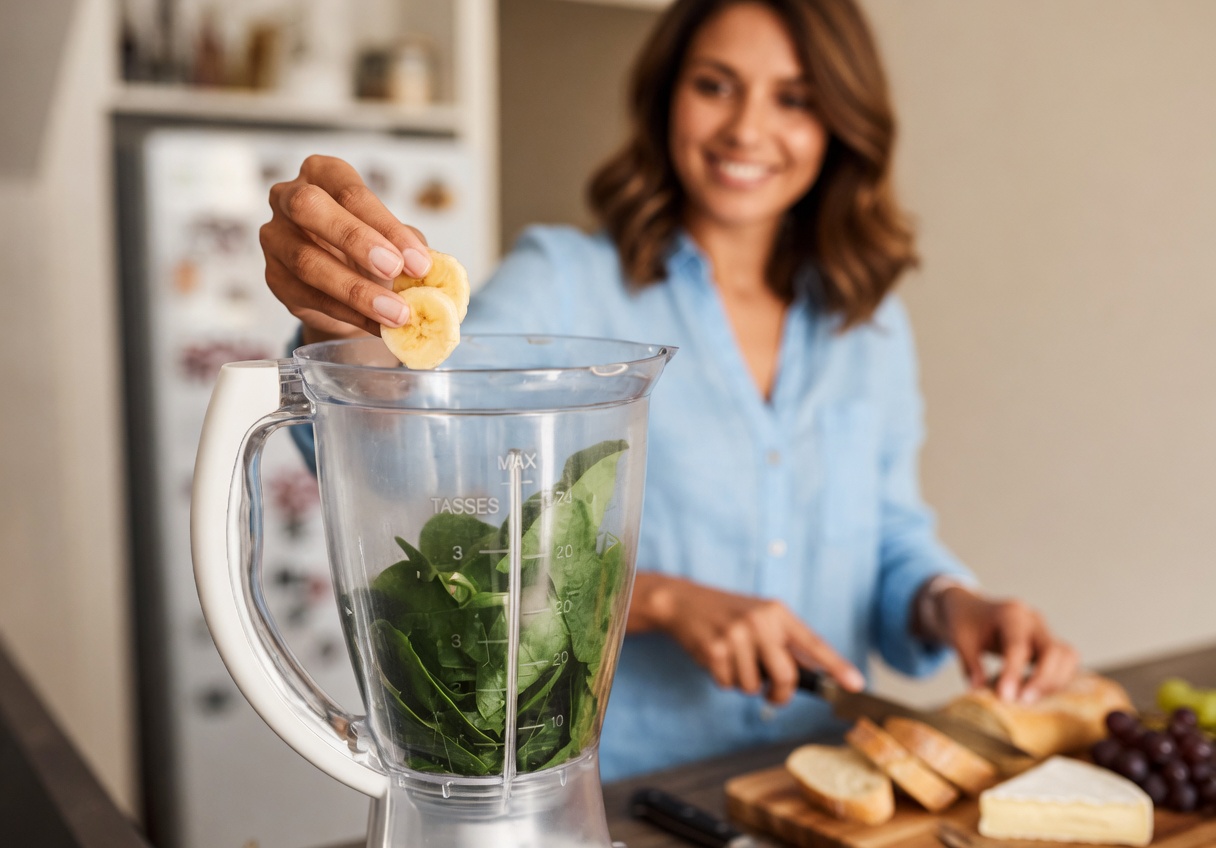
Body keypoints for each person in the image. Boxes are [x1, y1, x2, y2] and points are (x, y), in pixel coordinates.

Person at [260, 0, 1079, 781]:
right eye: (716, 85)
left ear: (839, 123)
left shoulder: (869, 322)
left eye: (794, 98)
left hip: (823, 779)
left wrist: (951, 603)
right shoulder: (564, 281)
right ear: (666, 96)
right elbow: (410, 458)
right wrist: (343, 325)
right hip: (630, 794)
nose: (746, 128)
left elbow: (890, 531)